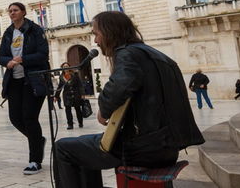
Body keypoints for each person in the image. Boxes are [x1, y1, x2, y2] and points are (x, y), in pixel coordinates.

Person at [54, 11, 204, 188]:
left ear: (110, 31)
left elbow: (117, 90)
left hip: (143, 147)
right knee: (82, 149)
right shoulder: (158, 55)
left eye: (96, 34)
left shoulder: (127, 54)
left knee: (62, 148)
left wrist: (103, 109)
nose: (95, 41)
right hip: (168, 146)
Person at [0, 2, 50, 175]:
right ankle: (37, 140)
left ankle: (35, 160)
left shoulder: (35, 29)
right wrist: (8, 62)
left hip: (33, 79)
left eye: (15, 10)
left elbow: (43, 54)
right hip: (15, 80)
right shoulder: (8, 32)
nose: (12, 13)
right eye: (10, 10)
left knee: (29, 117)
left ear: (23, 12)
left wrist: (22, 59)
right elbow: (1, 56)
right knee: (15, 118)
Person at [56, 64, 85, 129]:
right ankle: (70, 124)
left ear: (69, 67)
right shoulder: (61, 77)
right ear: (62, 68)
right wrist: (56, 96)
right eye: (64, 67)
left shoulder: (75, 74)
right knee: (68, 110)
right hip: (66, 95)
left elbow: (80, 85)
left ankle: (80, 123)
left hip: (76, 94)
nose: (66, 68)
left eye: (67, 66)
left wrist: (82, 94)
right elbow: (60, 87)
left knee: (78, 109)